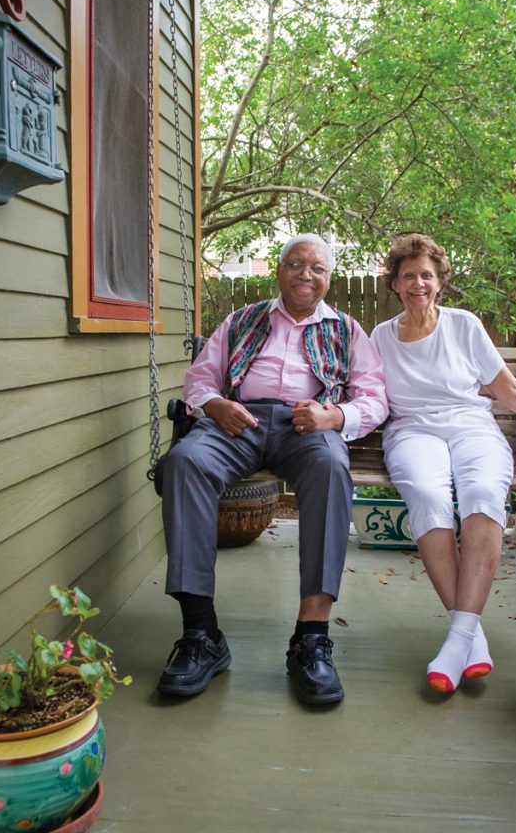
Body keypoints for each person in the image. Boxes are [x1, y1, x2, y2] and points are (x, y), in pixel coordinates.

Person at [158, 234, 388, 706]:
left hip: (308, 425)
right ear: (279, 270)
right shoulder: (242, 320)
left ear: (329, 278)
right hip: (239, 420)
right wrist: (215, 403)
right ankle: (201, 635)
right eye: (297, 264)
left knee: (329, 469)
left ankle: (311, 638)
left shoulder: (346, 330)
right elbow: (200, 378)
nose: (307, 274)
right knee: (184, 462)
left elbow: (374, 397)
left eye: (318, 268)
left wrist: (335, 417)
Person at [370, 233, 516, 694]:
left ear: (440, 281)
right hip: (412, 430)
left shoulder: (464, 325)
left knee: (483, 495)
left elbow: (507, 390)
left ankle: (458, 638)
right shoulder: (380, 338)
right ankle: (470, 634)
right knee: (428, 496)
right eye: (408, 275)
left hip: (472, 427)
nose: (418, 283)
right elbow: (367, 396)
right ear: (394, 283)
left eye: (426, 274)